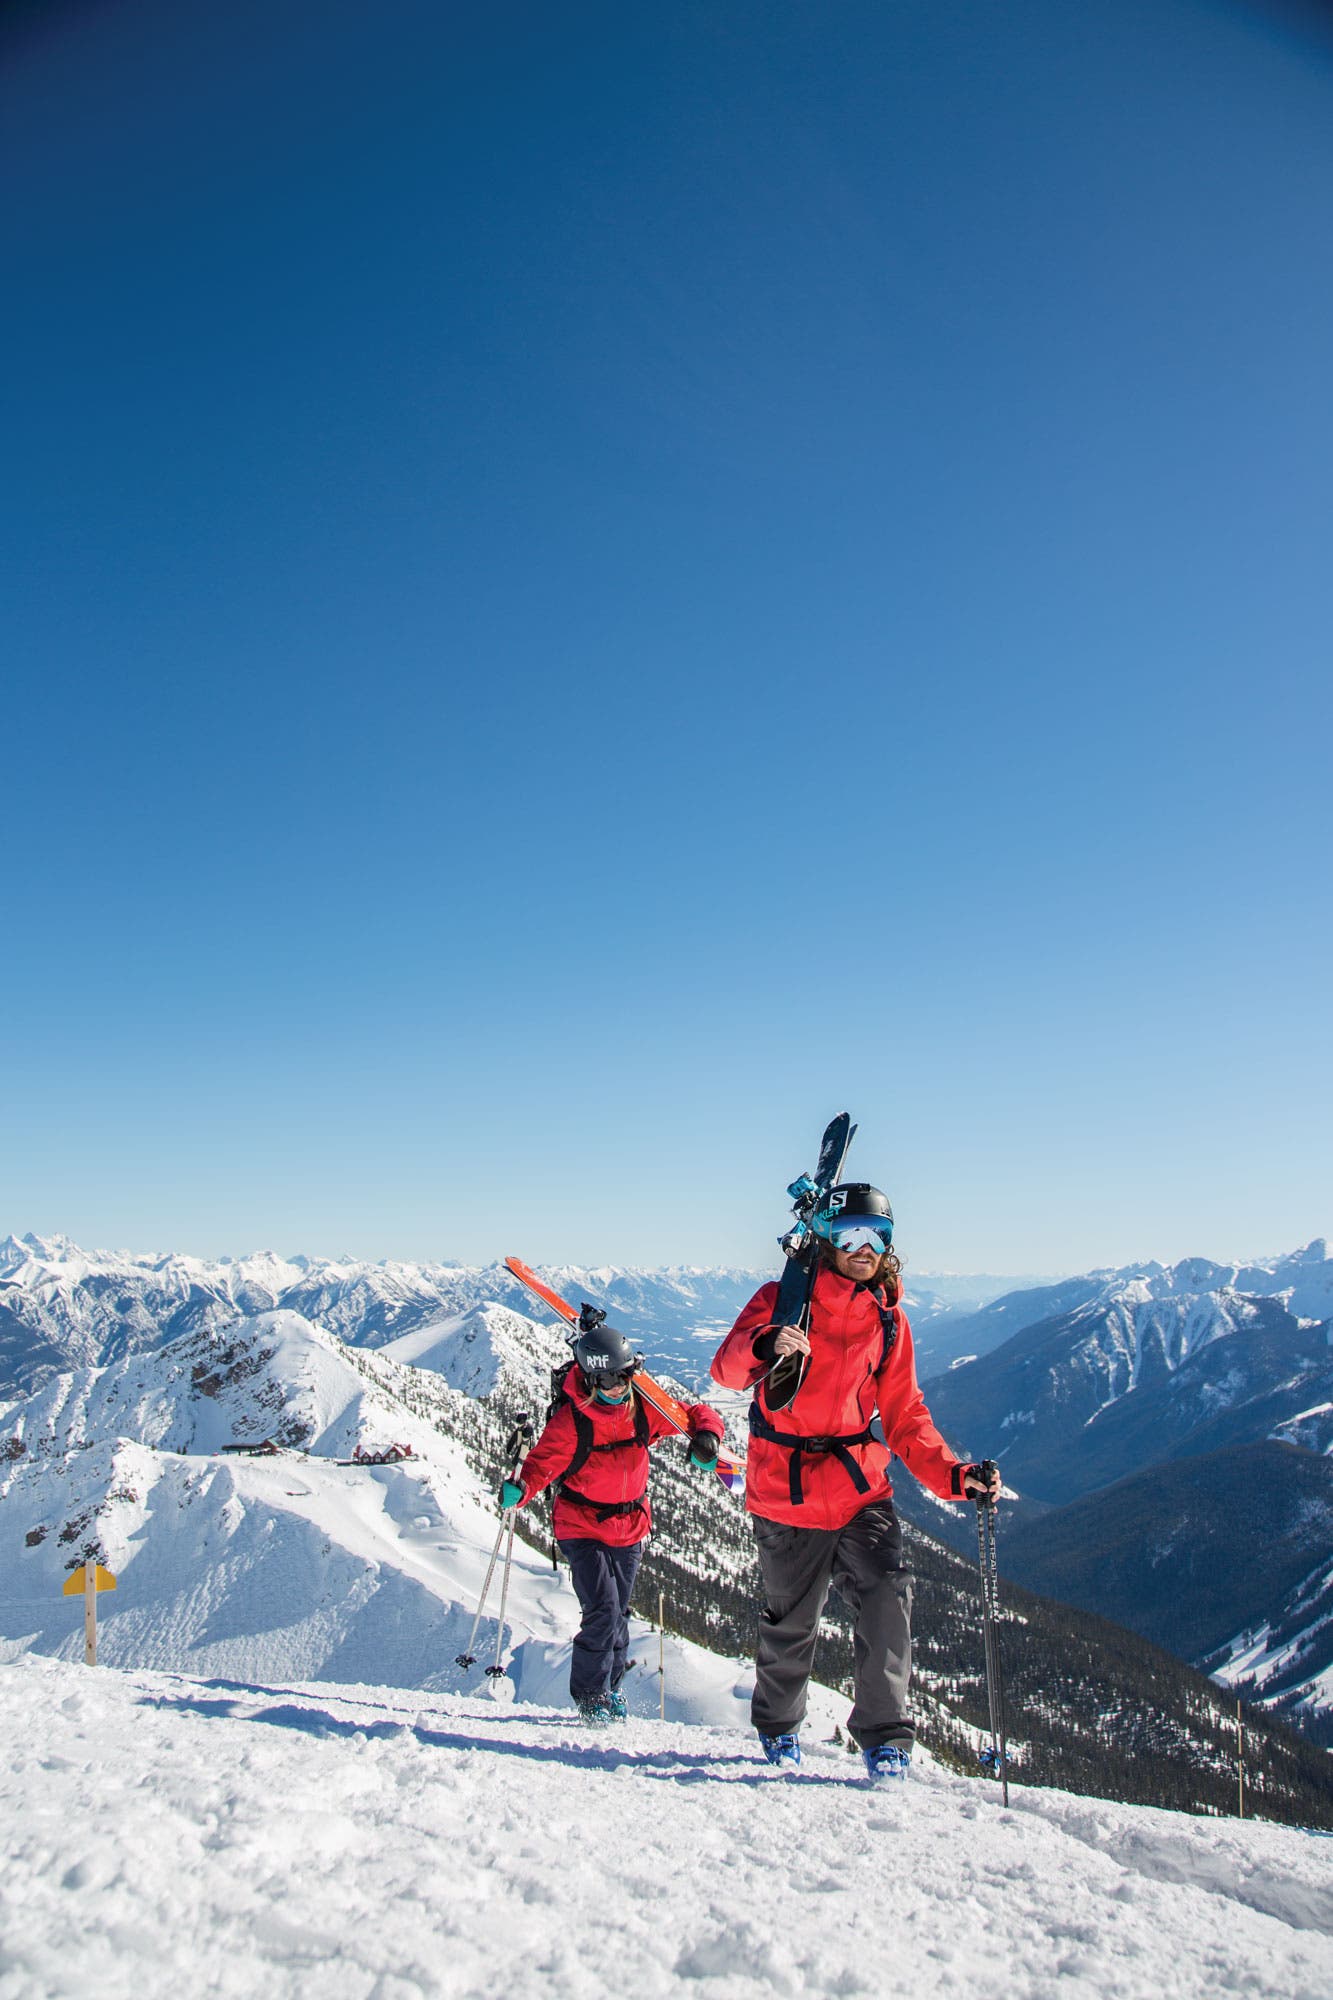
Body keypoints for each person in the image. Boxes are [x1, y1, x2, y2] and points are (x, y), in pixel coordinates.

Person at [710, 1180, 1000, 1781]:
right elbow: (728, 1368)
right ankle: (780, 1728)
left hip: (859, 1485)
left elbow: (904, 1413)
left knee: (887, 1597)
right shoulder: (782, 1297)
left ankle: (886, 1737)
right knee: (791, 1622)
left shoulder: (889, 1320)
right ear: (827, 1238)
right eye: (850, 1234)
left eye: (878, 1236)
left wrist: (955, 1474)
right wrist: (767, 1342)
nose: (864, 1248)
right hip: (785, 1489)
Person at [501, 1317, 725, 1724]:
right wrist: (522, 1489)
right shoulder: (572, 1422)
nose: (619, 1387)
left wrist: (707, 1437)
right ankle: (590, 1697)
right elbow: (540, 1465)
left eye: (624, 1377)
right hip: (581, 1526)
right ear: (589, 1379)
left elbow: (695, 1414)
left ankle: (610, 1689)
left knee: (619, 1613)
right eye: (609, 1381)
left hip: (630, 1526)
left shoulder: (643, 1408)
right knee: (602, 1611)